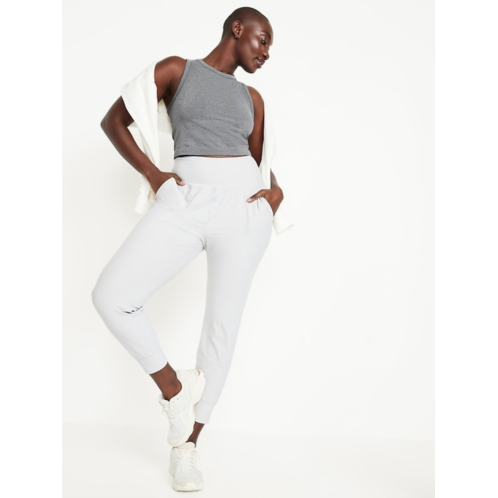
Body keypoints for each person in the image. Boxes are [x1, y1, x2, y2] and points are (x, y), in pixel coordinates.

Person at [92, 6, 290, 493]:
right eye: (263, 40)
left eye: (269, 46)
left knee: (221, 330)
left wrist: (276, 193)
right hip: (184, 201)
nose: (266, 53)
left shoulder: (253, 98)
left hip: (242, 212)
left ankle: (186, 448)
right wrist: (155, 176)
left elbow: (258, 159)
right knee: (112, 296)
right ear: (237, 29)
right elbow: (114, 121)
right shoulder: (177, 70)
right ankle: (174, 389)